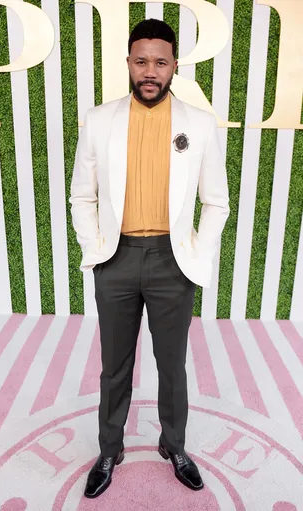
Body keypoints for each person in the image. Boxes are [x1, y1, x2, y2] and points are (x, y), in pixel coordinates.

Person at [69, 18, 230, 499]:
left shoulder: (199, 125)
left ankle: (174, 445)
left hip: (170, 260)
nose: (150, 71)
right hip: (115, 259)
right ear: (128, 64)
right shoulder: (100, 120)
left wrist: (195, 255)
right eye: (141, 61)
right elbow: (82, 196)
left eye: (160, 61)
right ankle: (109, 449)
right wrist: (95, 251)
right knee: (114, 366)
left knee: (171, 364)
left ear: (175, 66)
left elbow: (216, 202)